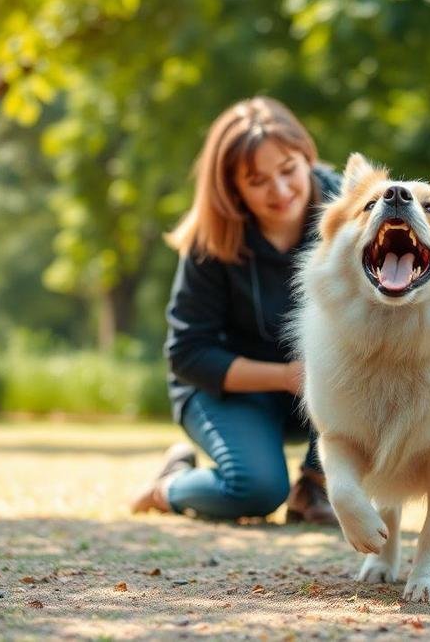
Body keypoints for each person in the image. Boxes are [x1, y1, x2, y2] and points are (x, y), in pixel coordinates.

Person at [131, 96, 339, 524]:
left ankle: (316, 487)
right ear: (233, 187)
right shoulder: (212, 240)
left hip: (328, 386)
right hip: (227, 389)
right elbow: (187, 353)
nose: (280, 191)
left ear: (306, 156)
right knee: (258, 489)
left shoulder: (352, 207)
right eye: (258, 181)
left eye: (288, 170)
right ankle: (170, 485)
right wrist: (285, 377)